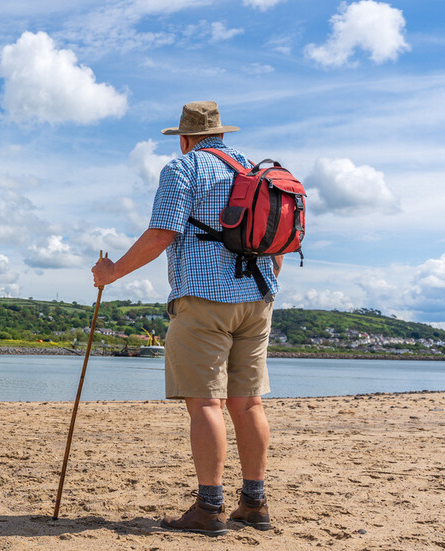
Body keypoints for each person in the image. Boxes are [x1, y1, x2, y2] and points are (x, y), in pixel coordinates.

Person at [92, 101, 282, 536]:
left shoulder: (185, 169)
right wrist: (264, 286)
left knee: (206, 404)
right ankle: (254, 504)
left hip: (204, 298)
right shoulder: (255, 171)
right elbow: (276, 243)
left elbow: (162, 233)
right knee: (249, 402)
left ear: (183, 138)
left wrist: (113, 272)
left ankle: (209, 509)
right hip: (258, 297)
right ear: (221, 134)